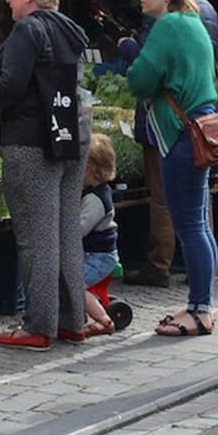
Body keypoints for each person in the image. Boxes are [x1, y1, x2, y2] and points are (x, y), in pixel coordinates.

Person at [0, 0, 90, 350]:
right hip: (72, 138)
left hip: (32, 142)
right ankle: (72, 320)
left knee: (36, 235)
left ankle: (38, 325)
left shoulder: (27, 31)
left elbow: (10, 87)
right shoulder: (71, 30)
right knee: (66, 232)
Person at [126, 0, 218, 337]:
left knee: (190, 225)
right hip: (199, 129)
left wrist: (131, 54)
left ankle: (199, 309)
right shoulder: (193, 22)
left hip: (181, 135)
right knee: (200, 223)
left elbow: (141, 81)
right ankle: (202, 304)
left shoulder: (167, 26)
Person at [80, 132, 131, 336]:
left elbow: (80, 227)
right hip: (92, 254)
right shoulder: (91, 192)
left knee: (73, 285)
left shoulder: (95, 200)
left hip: (98, 257)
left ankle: (103, 319)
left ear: (90, 168)